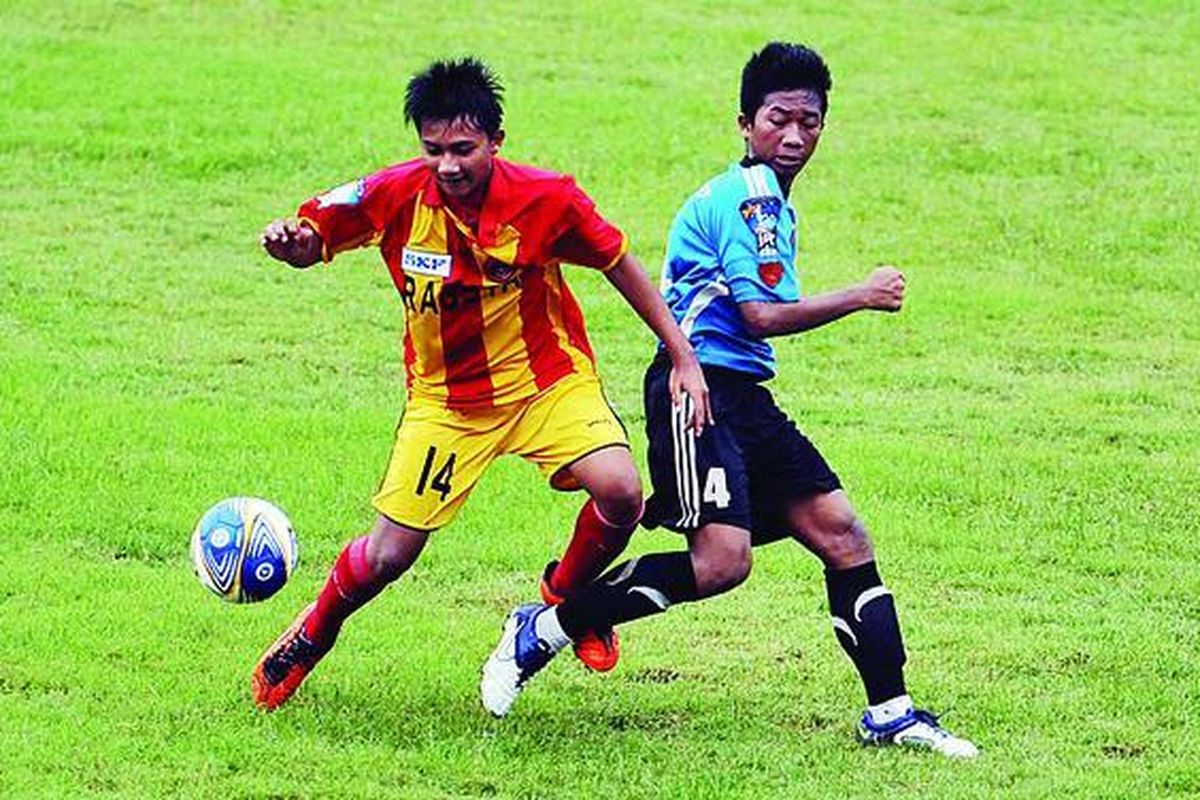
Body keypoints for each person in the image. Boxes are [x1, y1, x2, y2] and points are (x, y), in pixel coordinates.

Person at [480, 42, 978, 759]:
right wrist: (862, 294)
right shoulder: (750, 198)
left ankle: (891, 713)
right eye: (780, 119)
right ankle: (544, 628)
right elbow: (759, 316)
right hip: (698, 390)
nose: (795, 136)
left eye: (810, 121)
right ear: (746, 124)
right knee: (721, 563)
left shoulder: (762, 198)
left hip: (742, 395)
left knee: (842, 533)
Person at [252, 57, 710, 710]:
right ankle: (312, 635)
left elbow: (618, 262)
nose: (448, 165)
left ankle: (560, 604)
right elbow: (315, 234)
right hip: (446, 403)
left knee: (623, 492)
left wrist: (682, 355)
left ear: (496, 141)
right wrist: (292, 244)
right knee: (388, 555)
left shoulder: (547, 199)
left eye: (462, 149)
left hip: (545, 383)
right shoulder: (394, 193)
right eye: (433, 149)